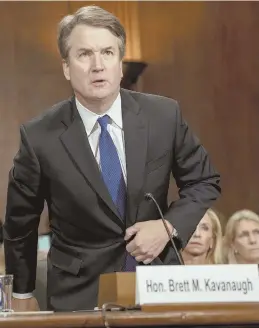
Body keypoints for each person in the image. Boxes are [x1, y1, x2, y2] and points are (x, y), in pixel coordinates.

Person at [3, 5, 221, 312]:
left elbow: (204, 180)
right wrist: (22, 294)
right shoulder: (39, 136)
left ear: (120, 64)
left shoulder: (163, 115)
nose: (97, 65)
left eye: (107, 52)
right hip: (80, 295)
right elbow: (20, 225)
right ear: (66, 67)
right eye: (84, 54)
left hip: (158, 285)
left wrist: (167, 226)